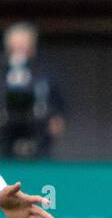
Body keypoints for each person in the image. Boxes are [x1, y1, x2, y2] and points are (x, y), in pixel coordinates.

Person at [2, 23, 66, 160]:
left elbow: (58, 95)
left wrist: (58, 116)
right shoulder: (2, 68)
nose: (19, 47)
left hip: (37, 121)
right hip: (6, 122)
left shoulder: (44, 68)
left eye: (23, 42)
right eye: (16, 43)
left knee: (40, 153)